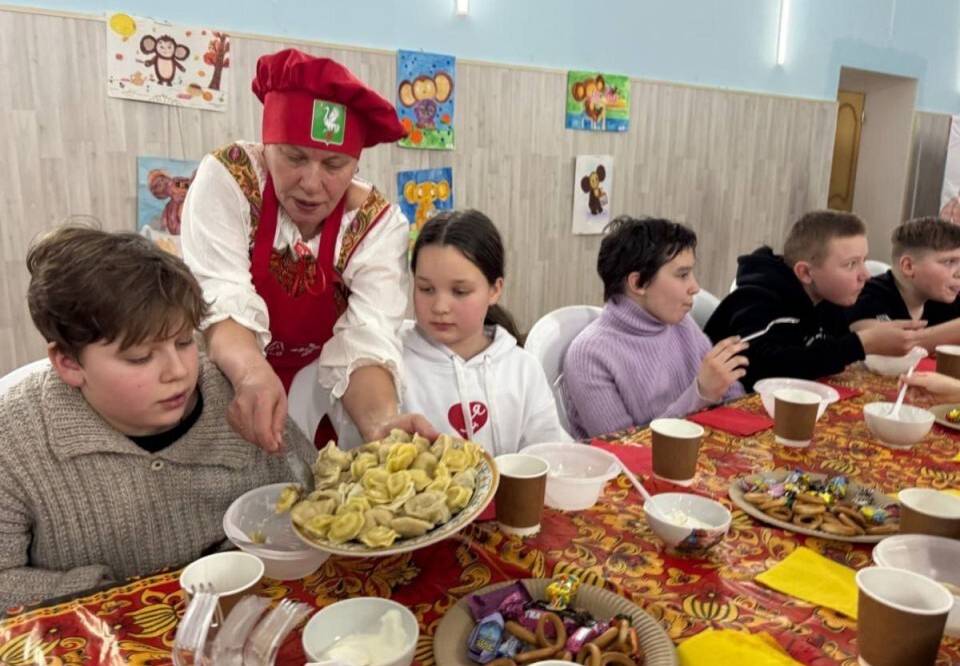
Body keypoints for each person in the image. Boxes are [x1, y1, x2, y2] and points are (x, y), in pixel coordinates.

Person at [0, 226, 316, 608]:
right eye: (140, 358)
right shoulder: (14, 434)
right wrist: (104, 592)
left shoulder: (235, 397)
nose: (178, 371)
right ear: (68, 363)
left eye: (184, 342)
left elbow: (318, 492)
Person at [181, 48, 432, 453]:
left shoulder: (374, 225)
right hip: (226, 381)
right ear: (267, 147)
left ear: (355, 164)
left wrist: (383, 424)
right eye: (294, 157)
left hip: (318, 398)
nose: (311, 185)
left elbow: (367, 341)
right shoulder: (231, 180)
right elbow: (220, 295)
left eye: (334, 165)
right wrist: (250, 375)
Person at [400, 209, 569, 456]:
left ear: (494, 290)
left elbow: (545, 458)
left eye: (460, 292)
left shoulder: (523, 370)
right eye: (426, 289)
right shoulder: (391, 365)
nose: (439, 307)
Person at [563, 216, 748, 439]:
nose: (695, 287)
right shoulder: (589, 355)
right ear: (638, 283)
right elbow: (622, 450)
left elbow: (735, 401)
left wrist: (722, 381)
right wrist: (701, 393)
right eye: (682, 275)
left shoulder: (681, 324)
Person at [704, 210, 924, 390]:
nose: (865, 275)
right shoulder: (757, 301)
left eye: (863, 261)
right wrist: (862, 343)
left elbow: (827, 353)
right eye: (850, 264)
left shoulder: (829, 299)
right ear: (806, 273)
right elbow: (773, 369)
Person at [848, 217, 960, 352]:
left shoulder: (945, 298)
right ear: (908, 266)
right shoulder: (866, 295)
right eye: (949, 262)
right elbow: (878, 344)